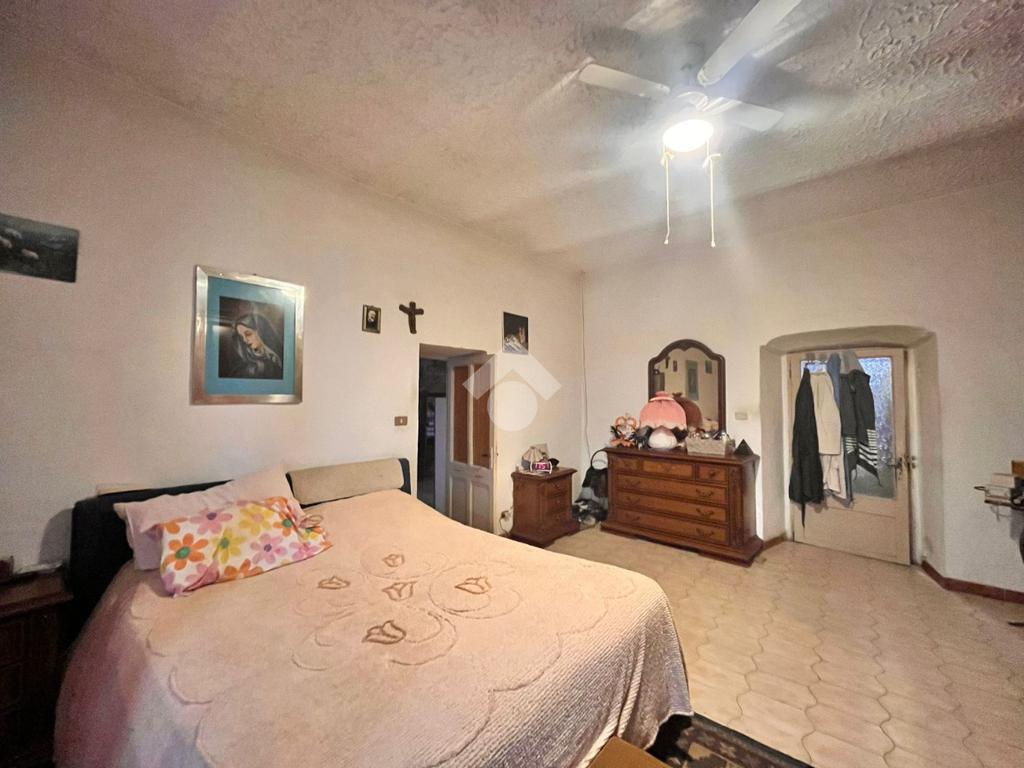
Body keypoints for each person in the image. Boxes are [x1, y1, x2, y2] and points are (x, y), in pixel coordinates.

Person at [227, 309, 283, 379]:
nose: (244, 340)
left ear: (261, 332)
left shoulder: (278, 356)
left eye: (248, 334)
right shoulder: (247, 367)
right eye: (241, 337)